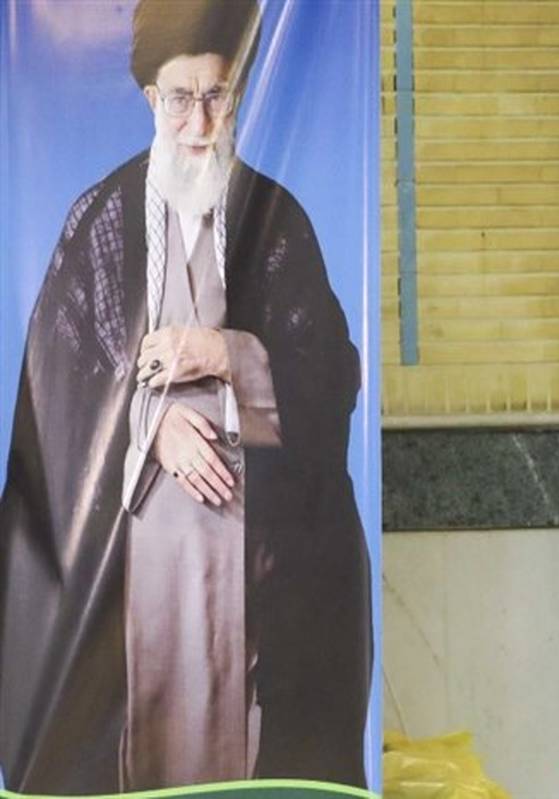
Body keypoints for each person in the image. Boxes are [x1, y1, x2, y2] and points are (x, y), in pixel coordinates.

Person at [0, 0, 370, 792]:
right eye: (180, 98)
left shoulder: (276, 220)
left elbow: (332, 375)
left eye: (218, 96)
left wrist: (226, 354)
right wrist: (148, 423)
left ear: (239, 92)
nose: (200, 123)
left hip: (258, 567)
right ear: (150, 99)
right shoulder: (100, 220)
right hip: (131, 575)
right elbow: (53, 390)